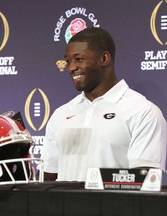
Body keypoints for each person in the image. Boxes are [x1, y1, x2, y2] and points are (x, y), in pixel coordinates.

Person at [41, 27, 167, 182]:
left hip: (115, 207)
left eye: (79, 59)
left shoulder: (143, 112)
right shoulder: (60, 115)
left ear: (104, 59)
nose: (71, 68)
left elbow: (146, 182)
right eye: (68, 61)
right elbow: (48, 179)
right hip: (63, 207)